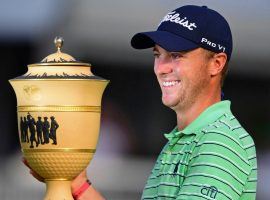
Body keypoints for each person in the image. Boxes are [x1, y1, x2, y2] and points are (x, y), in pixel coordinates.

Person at [23, 5, 257, 200]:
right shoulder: (184, 140)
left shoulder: (221, 142)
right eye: (158, 55)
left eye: (176, 55)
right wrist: (78, 185)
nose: (161, 68)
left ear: (216, 64)